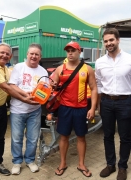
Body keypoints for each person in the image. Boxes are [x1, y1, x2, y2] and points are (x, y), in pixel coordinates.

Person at [0, 42, 38, 180]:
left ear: (10, 56)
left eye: (7, 54)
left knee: (0, 139)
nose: (4, 55)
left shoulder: (5, 69)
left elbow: (13, 86)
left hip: (1, 109)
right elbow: (7, 88)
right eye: (1, 53)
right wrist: (26, 99)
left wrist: (27, 92)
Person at [53, 41, 97, 177]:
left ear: (79, 52)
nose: (70, 53)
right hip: (65, 108)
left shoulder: (87, 69)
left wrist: (93, 108)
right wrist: (53, 85)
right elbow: (52, 86)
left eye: (73, 50)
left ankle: (81, 164)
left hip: (81, 109)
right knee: (63, 136)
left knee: (81, 137)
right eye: (68, 51)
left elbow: (94, 88)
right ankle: (63, 163)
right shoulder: (60, 69)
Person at [95, 28, 131, 180]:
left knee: (125, 137)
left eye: (111, 40)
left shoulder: (129, 59)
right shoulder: (99, 62)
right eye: (106, 41)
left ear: (118, 40)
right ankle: (111, 165)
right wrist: (99, 104)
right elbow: (98, 83)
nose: (108, 43)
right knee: (108, 135)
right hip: (107, 102)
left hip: (126, 102)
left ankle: (122, 167)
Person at [9, 43, 48, 175]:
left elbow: (46, 91)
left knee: (32, 138)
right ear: (27, 54)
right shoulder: (19, 67)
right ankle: (17, 162)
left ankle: (30, 160)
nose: (34, 56)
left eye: (36, 54)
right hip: (17, 110)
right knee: (16, 138)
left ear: (40, 56)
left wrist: (42, 95)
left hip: (35, 110)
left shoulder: (43, 71)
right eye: (31, 53)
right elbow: (12, 86)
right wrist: (26, 95)